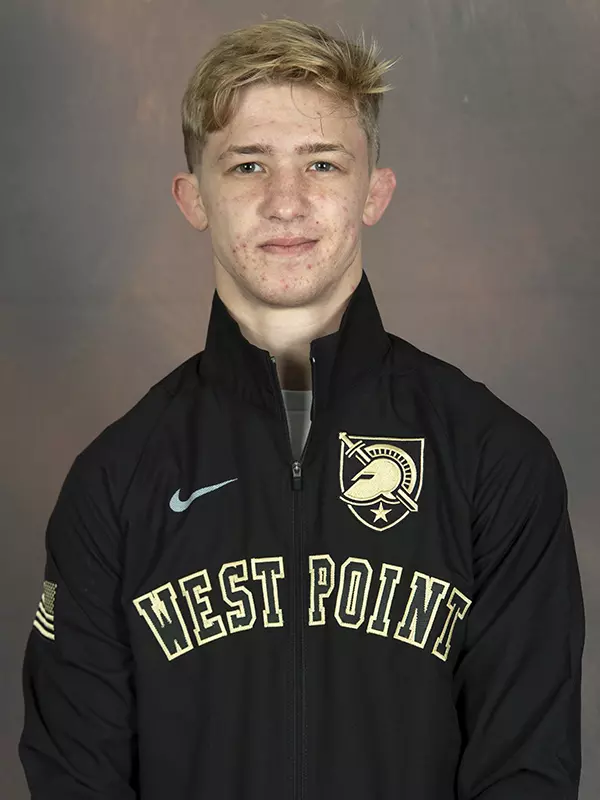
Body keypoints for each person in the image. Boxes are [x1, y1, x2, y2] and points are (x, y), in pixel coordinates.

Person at [19, 18, 585, 800]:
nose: (286, 202)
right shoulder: (115, 482)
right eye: (247, 165)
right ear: (193, 197)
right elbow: (74, 776)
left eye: (322, 163)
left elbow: (527, 770)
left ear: (374, 192)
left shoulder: (494, 460)